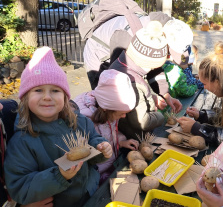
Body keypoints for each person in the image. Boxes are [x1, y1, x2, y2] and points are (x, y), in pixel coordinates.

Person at [4, 46, 113, 206]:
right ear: (26, 98)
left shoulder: (80, 122)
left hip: (90, 193)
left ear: (65, 96)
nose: (47, 97)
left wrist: (100, 148)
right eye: (38, 90)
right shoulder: (22, 141)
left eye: (55, 90)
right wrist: (59, 175)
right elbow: (20, 188)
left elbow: (92, 144)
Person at [108, 21, 180, 139]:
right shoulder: (132, 82)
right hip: (135, 136)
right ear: (148, 64)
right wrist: (160, 116)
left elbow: (137, 99)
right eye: (154, 67)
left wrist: (152, 98)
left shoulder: (121, 64)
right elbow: (142, 121)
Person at [74, 69, 139, 184]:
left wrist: (121, 142)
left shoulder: (108, 109)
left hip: (108, 166)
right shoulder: (84, 119)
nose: (124, 116)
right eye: (121, 113)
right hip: (94, 174)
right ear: (106, 108)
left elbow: (109, 132)